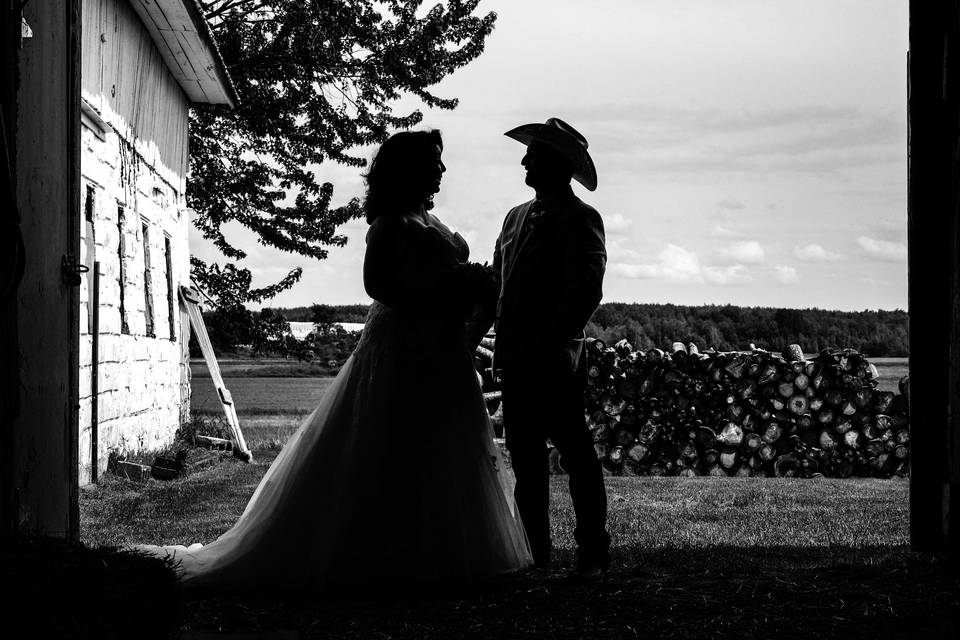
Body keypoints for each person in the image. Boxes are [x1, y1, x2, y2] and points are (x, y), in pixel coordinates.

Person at [137, 130, 532, 591]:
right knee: (391, 445)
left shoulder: (427, 218)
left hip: (442, 349)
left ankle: (440, 554)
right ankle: (374, 554)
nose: (442, 170)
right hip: (403, 347)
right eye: (434, 162)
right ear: (408, 169)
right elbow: (380, 287)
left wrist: (467, 291)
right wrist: (450, 289)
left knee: (442, 444)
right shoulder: (389, 223)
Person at [490, 117, 610, 582]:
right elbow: (498, 278)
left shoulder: (583, 219)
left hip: (556, 361)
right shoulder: (514, 216)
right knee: (525, 459)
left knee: (577, 454)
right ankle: (535, 552)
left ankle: (593, 551)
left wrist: (548, 341)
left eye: (533, 154)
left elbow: (586, 292)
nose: (524, 160)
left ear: (557, 165)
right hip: (516, 360)